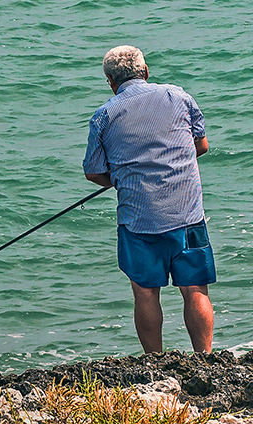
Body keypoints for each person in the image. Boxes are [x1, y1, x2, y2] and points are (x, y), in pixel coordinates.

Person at [83, 45, 215, 354]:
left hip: (138, 219)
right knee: (195, 289)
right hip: (187, 216)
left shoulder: (103, 117)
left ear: (110, 81)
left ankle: (154, 362)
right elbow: (202, 146)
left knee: (145, 293)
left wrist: (120, 179)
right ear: (145, 72)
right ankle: (206, 360)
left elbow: (93, 172)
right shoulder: (179, 97)